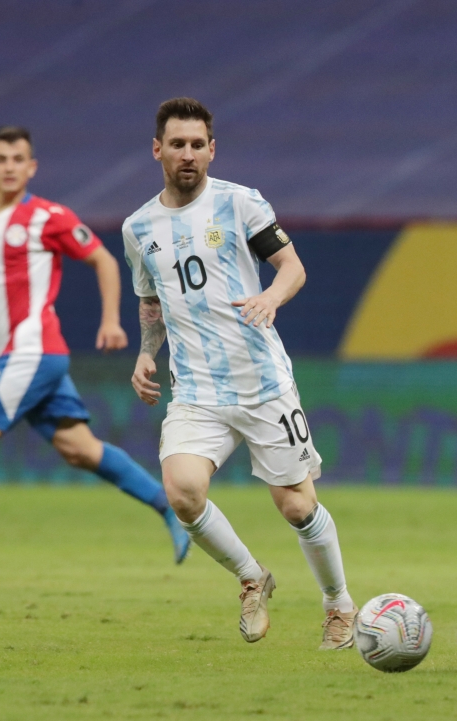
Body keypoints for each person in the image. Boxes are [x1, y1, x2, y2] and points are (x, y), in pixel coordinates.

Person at [123, 98, 356, 649]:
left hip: (261, 383)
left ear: (212, 150)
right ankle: (252, 577)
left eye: (197, 145)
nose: (187, 154)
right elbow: (152, 301)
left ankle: (338, 605)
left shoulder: (239, 203)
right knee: (182, 491)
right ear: (157, 150)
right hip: (196, 390)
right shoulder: (138, 228)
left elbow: (292, 267)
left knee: (296, 505)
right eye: (176, 144)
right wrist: (146, 352)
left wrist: (270, 297)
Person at [0, 126, 189, 578]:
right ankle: (169, 509)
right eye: (1, 159)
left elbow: (102, 259)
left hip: (33, 349)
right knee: (80, 450)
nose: (10, 167)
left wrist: (111, 320)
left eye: (18, 159)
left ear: (32, 167)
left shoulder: (47, 217)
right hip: (23, 354)